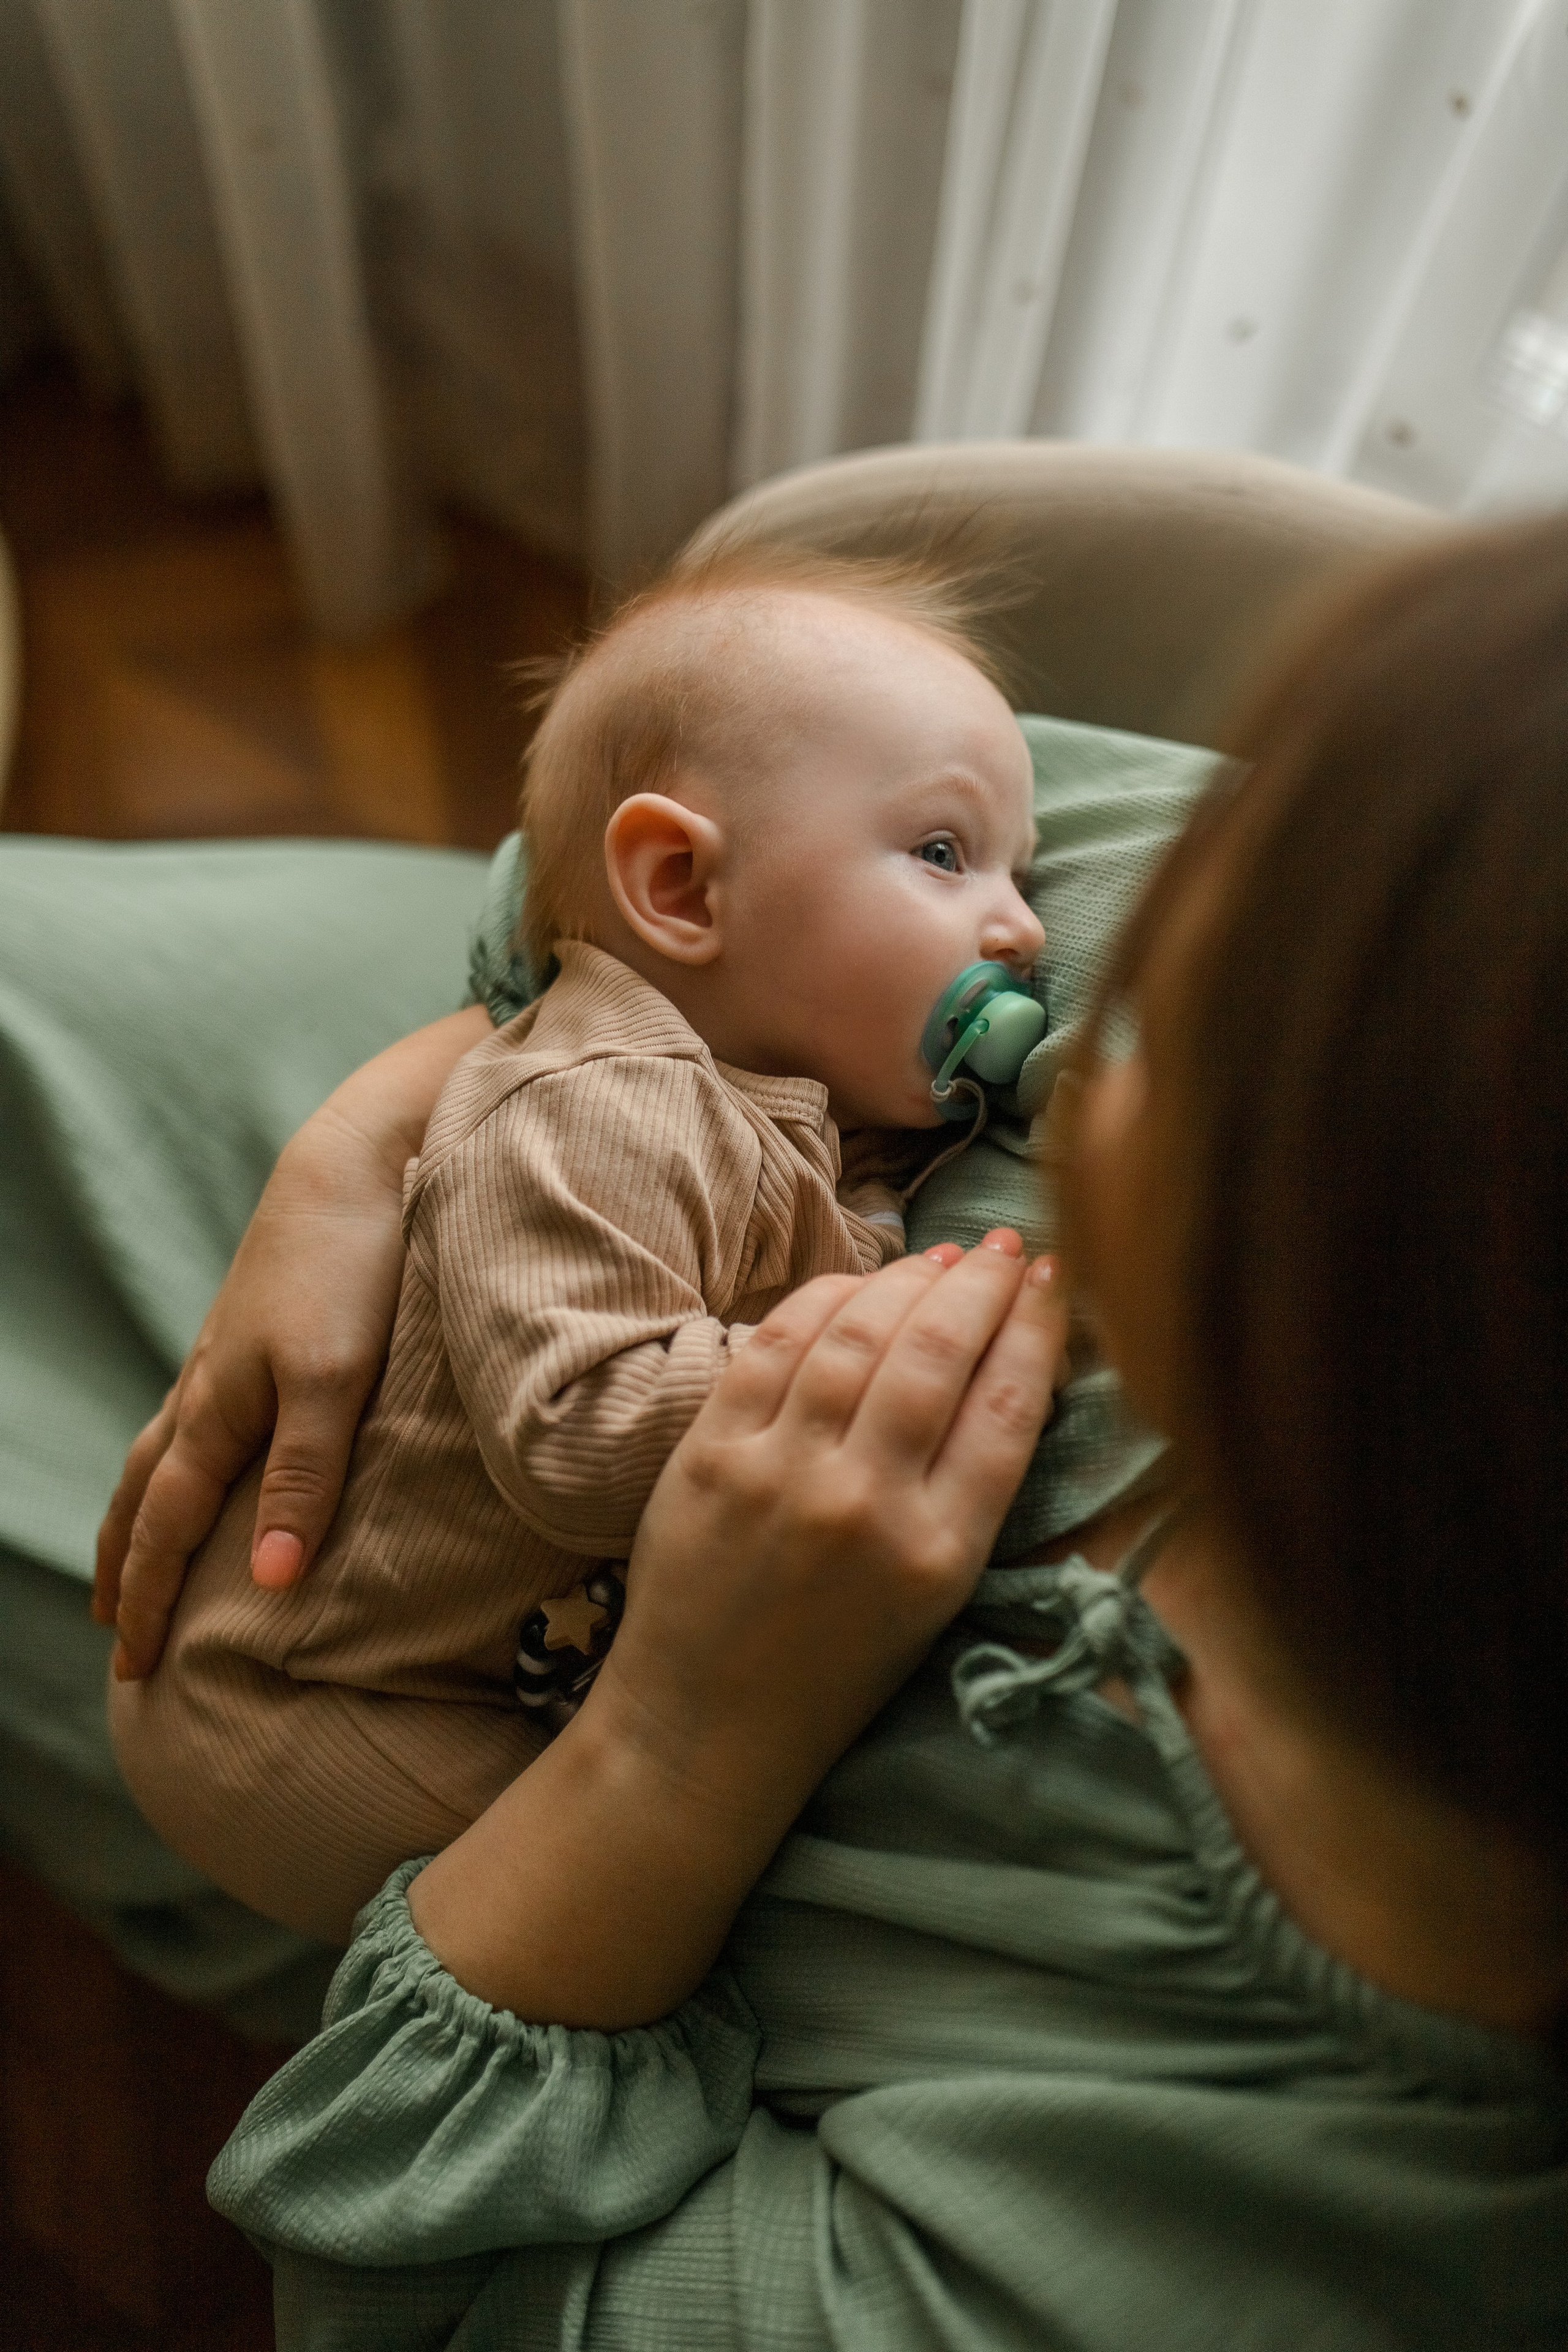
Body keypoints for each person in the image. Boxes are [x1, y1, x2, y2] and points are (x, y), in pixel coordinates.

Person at [102, 516, 1568, 2348]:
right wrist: (368, 1148)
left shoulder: (1261, 2232)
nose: (1068, 987)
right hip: (326, 1331)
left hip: (358, 1708)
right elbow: (586, 876)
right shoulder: (1427, 871)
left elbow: (392, 2290)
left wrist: (681, 1747)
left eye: (1182, 1047)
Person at [105, 545, 1050, 1942]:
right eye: (940, 853)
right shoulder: (593, 1104)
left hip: (494, 1654)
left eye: (1019, 869)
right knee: (685, 1918)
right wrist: (858, 1342)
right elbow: (581, 1434)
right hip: (306, 1709)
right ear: (679, 889)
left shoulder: (796, 1090)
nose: (1021, 927)